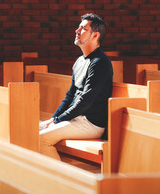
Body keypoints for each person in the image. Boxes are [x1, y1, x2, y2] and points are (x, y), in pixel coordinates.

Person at [39, 13, 113, 160]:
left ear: (94, 35)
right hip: (75, 118)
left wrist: (58, 120)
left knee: (40, 138)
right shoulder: (80, 61)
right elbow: (70, 96)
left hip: (91, 123)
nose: (77, 31)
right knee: (29, 131)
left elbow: (85, 101)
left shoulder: (100, 62)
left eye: (83, 28)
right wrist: (53, 118)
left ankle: (63, 181)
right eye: (79, 27)